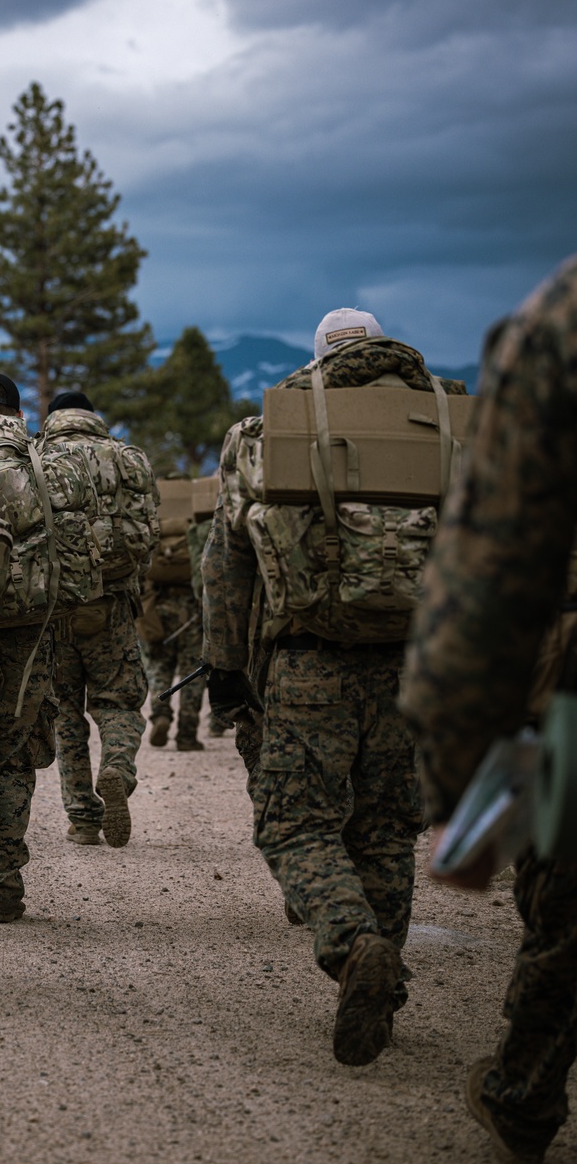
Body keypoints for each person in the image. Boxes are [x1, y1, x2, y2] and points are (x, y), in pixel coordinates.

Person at [202, 309, 467, 1064]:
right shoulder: (447, 425)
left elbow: (227, 563)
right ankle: (383, 962)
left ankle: (355, 948)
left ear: (320, 358)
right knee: (386, 826)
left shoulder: (269, 431)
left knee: (296, 823)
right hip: (416, 662)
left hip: (309, 660)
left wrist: (225, 666)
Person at [401, 254, 577, 1164]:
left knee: (565, 902)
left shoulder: (560, 321)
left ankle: (525, 1090)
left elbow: (491, 584)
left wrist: (466, 790)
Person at [0, 373, 99, 923]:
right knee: (15, 754)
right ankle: (5, 888)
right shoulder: (45, 461)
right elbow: (82, 555)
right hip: (34, 634)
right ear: (18, 412)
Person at [39, 391, 159, 847]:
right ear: (93, 417)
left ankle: (83, 817)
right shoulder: (129, 459)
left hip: (57, 607)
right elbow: (149, 531)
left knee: (65, 712)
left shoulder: (39, 456)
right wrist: (131, 585)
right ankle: (117, 768)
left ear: (53, 419)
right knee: (118, 702)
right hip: (113, 604)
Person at [139, 477, 205, 751]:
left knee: (159, 665)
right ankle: (187, 735)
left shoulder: (155, 522)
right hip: (192, 606)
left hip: (159, 604)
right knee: (193, 671)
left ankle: (161, 714)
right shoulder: (194, 519)